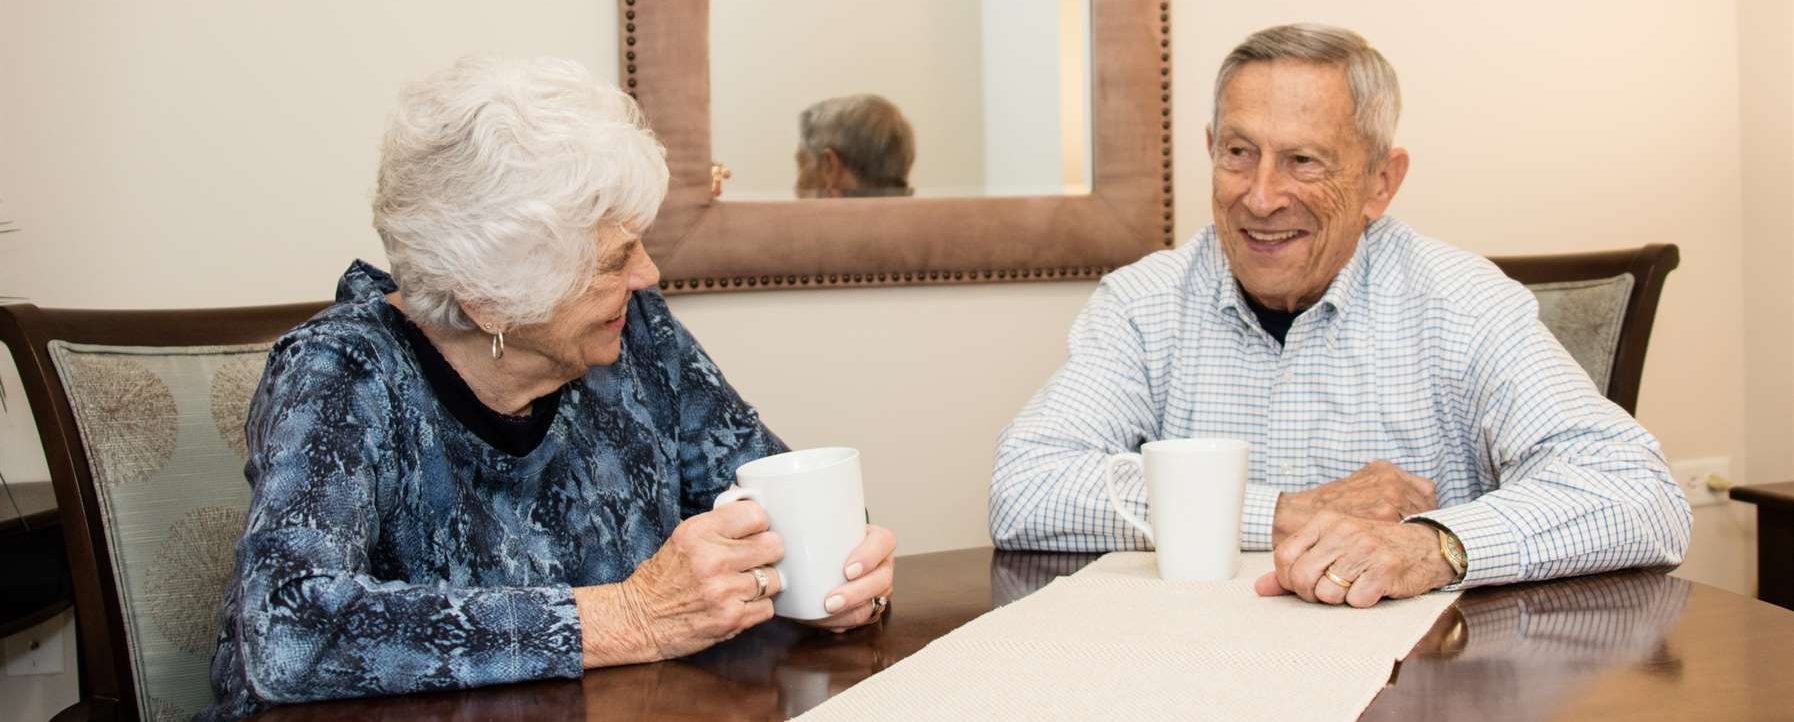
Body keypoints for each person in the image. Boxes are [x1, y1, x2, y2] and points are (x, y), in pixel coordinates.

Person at [204, 56, 896, 720]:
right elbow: (287, 629)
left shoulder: (635, 334)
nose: (649, 275)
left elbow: (770, 504)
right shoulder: (344, 374)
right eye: (616, 258)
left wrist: (841, 573)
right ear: (489, 300)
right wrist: (628, 616)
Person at [989, 24, 1689, 607]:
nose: (1261, 198)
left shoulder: (1462, 301)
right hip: (1190, 672)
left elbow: (1641, 494)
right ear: (1210, 149)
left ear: (1381, 181)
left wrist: (1435, 544)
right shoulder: (1144, 303)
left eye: (1304, 161)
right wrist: (1290, 511)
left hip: (1416, 686)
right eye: (1239, 153)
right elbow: (1026, 489)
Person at [794, 94, 916, 198]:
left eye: (801, 165)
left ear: (829, 167)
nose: (796, 188)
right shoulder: (927, 223)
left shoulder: (800, 225)